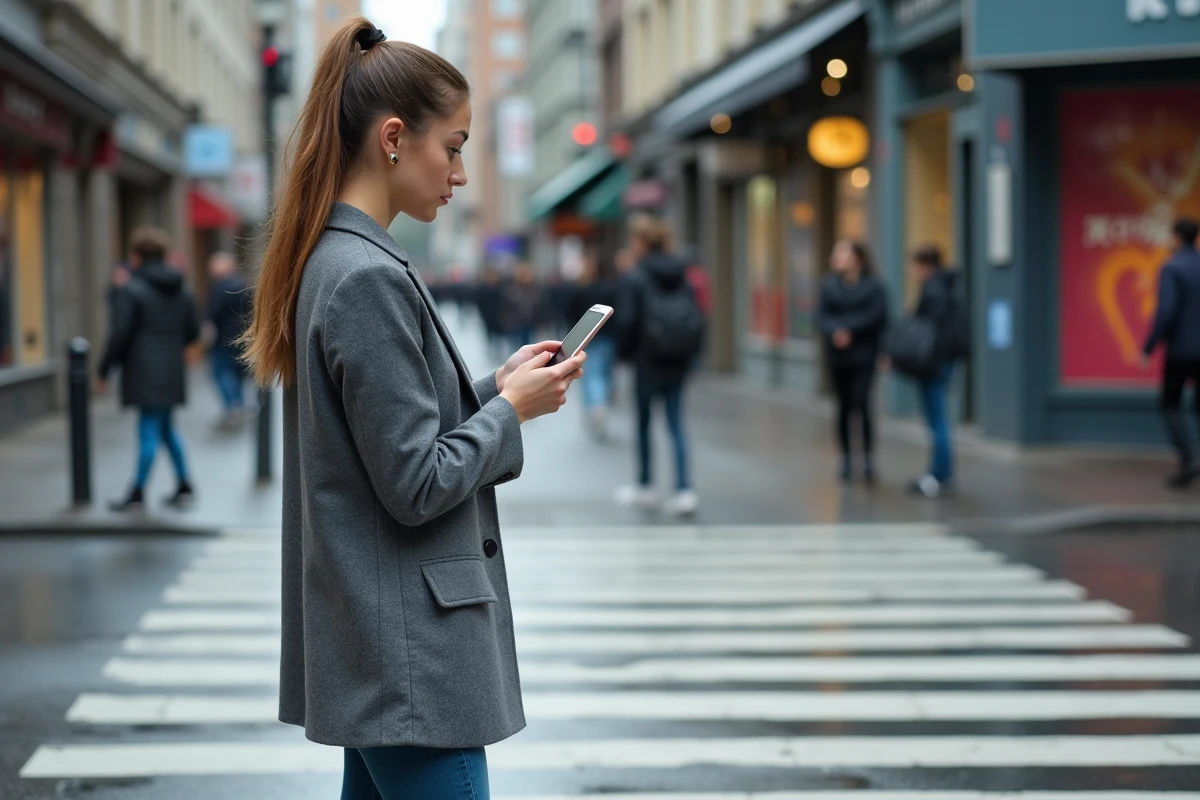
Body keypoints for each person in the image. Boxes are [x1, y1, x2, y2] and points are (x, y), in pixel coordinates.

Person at [236, 19, 584, 799]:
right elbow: (414, 481)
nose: (460, 171)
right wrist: (511, 414)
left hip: (379, 643)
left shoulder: (335, 257)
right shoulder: (366, 276)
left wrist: (496, 390)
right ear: (394, 138)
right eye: (452, 147)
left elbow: (382, 444)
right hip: (411, 659)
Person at [97, 226, 200, 511]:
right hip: (171, 371)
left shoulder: (131, 289)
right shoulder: (182, 289)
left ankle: (138, 492)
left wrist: (103, 370)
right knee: (166, 429)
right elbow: (193, 330)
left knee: (149, 431)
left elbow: (119, 334)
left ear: (137, 256)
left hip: (144, 371)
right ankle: (184, 484)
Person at [614, 218, 706, 516]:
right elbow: (697, 314)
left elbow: (627, 322)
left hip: (646, 360)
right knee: (676, 424)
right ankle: (684, 489)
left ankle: (645, 486)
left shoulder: (636, 277)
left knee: (643, 423)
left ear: (641, 243)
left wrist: (623, 356)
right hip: (677, 360)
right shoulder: (683, 274)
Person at [818, 240, 888, 484]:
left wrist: (849, 329)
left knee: (862, 404)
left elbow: (879, 317)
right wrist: (835, 331)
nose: (836, 257)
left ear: (857, 258)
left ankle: (867, 457)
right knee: (843, 407)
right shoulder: (829, 285)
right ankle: (846, 457)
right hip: (838, 357)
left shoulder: (873, 287)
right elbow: (821, 316)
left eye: (842, 253)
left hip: (863, 355)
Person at [903, 243, 967, 499]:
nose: (910, 269)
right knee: (937, 419)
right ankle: (941, 474)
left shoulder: (934, 290)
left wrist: (928, 360)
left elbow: (932, 333)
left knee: (937, 420)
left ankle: (939, 475)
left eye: (913, 264)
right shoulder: (941, 288)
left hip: (934, 364)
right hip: (939, 363)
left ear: (924, 265)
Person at [1143, 217, 1200, 489]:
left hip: (1180, 351)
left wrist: (1149, 346)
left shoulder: (1172, 268)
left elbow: (1165, 311)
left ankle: (1188, 459)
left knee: (1170, 404)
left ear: (1176, 237)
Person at [566, 250, 621, 439]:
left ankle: (595, 407)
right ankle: (598, 406)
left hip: (587, 341)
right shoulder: (612, 288)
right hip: (608, 340)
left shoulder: (581, 289)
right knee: (604, 375)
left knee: (591, 377)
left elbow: (571, 315)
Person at [205, 252, 251, 429]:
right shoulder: (243, 285)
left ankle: (233, 406)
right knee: (237, 374)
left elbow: (212, 314)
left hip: (223, 338)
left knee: (221, 373)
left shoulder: (218, 289)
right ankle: (238, 405)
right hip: (242, 337)